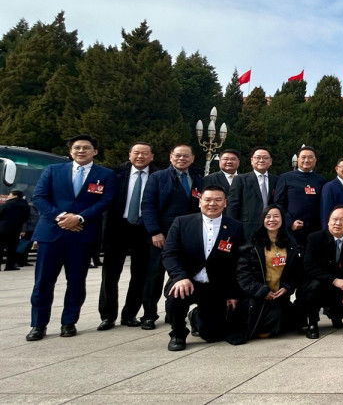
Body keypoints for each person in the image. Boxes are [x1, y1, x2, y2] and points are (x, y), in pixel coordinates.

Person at [26, 135, 115, 342]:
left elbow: (106, 201)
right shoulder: (53, 170)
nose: (81, 151)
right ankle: (38, 325)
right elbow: (39, 197)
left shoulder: (105, 174)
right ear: (70, 151)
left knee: (76, 282)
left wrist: (79, 217)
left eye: (86, 148)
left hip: (82, 235)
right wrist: (60, 217)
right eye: (77, 148)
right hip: (51, 234)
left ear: (95, 151)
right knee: (43, 282)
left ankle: (69, 322)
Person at [162, 185, 245, 350]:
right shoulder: (182, 222)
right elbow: (169, 254)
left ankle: (195, 317)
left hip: (215, 287)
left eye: (218, 200)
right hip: (188, 281)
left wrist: (232, 293)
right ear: (200, 202)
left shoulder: (236, 227)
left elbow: (237, 263)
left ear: (225, 203)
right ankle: (178, 333)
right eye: (207, 199)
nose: (212, 203)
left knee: (212, 335)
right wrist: (180, 277)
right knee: (176, 295)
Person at [140, 143, 203, 330]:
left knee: (181, 273)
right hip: (162, 235)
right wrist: (154, 231)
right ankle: (149, 314)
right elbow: (148, 206)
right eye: (178, 156)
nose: (181, 159)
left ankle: (173, 313)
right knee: (154, 275)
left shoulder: (198, 179)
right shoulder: (158, 177)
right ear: (170, 157)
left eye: (186, 156)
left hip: (188, 236)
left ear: (192, 158)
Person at [97, 142, 156, 330]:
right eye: (136, 153)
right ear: (130, 154)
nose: (140, 156)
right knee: (110, 274)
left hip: (144, 229)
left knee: (140, 275)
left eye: (145, 153)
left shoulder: (159, 175)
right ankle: (108, 315)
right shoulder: (114, 174)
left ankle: (130, 314)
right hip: (118, 228)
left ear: (152, 156)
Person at [236, 205, 302, 339]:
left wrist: (286, 287)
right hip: (257, 297)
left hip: (279, 296)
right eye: (268, 216)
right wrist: (262, 291)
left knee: (294, 321)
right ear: (262, 220)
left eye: (276, 216)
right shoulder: (252, 244)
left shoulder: (290, 243)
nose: (272, 220)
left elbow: (296, 272)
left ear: (282, 220)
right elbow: (243, 275)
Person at [302, 205, 343, 337]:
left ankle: (336, 315)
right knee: (315, 287)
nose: (338, 223)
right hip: (319, 281)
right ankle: (312, 323)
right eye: (334, 219)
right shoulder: (314, 238)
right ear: (328, 221)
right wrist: (333, 280)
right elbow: (309, 266)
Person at [274, 146, 327, 245]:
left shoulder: (321, 180)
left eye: (310, 157)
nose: (306, 160)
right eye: (303, 157)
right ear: (298, 159)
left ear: (315, 160)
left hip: (315, 230)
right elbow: (278, 203)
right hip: (292, 230)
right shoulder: (285, 178)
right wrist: (290, 222)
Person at [226, 146, 278, 239]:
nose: (261, 160)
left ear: (270, 161)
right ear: (251, 161)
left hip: (271, 226)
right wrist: (231, 226)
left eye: (265, 158)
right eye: (258, 158)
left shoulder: (276, 180)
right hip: (247, 226)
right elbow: (233, 204)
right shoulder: (240, 179)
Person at [0, 190, 30, 271]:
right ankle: (9, 266)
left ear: (15, 196)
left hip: (3, 228)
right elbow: (26, 217)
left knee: (1, 247)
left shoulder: (7, 204)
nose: (8, 196)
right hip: (16, 229)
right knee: (12, 248)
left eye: (10, 194)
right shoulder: (25, 205)